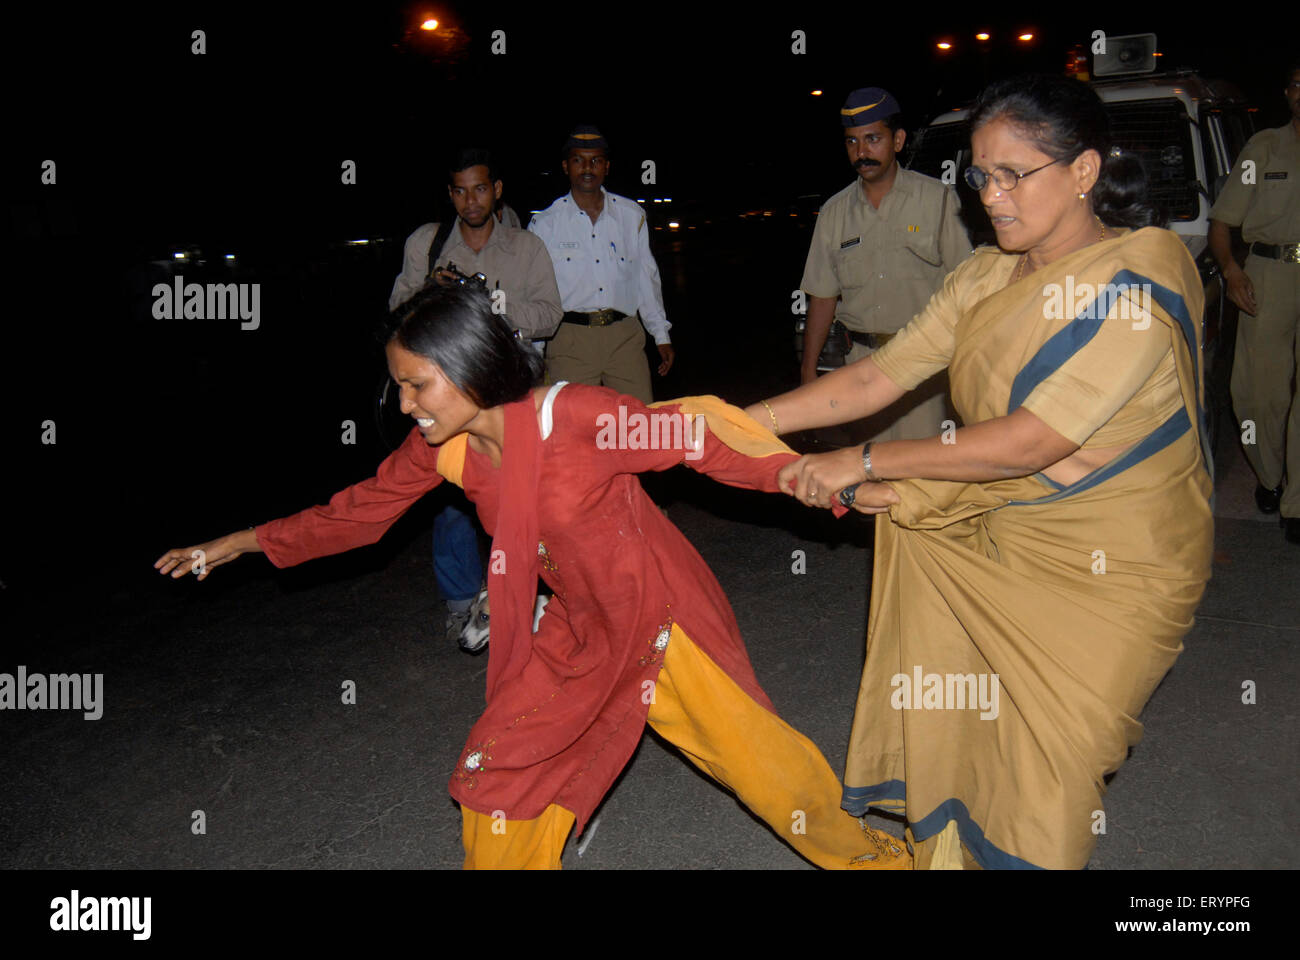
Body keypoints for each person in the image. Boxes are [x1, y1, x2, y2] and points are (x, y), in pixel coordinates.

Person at [154, 284, 906, 870]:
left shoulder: (576, 418)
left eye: (418, 385)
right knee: (500, 776)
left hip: (657, 620)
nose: (406, 405)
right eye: (401, 387)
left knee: (766, 774)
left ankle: (882, 860)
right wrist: (244, 542)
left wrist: (816, 479)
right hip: (577, 630)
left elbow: (698, 441)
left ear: (470, 369)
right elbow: (357, 513)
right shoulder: (448, 451)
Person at [745, 74, 1214, 869]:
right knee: (974, 744)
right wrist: (716, 425)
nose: (989, 198)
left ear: (1084, 172)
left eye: (1011, 175)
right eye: (979, 176)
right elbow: (874, 377)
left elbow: (1030, 441)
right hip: (1003, 540)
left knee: (1051, 778)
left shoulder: (1141, 278)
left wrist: (862, 460)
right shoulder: (988, 276)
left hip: (1120, 570)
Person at [389, 148, 563, 642]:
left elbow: (551, 313)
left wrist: (496, 311)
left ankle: (535, 596)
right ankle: (463, 602)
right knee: (452, 496)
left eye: (481, 188)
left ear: (497, 190)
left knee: (525, 497)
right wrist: (430, 290)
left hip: (512, 396)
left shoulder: (526, 247)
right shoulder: (427, 243)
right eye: (461, 190)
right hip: (449, 395)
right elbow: (396, 308)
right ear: (450, 194)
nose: (472, 200)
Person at [798, 87, 971, 443]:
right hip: (861, 366)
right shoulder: (834, 213)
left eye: (873, 139)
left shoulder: (938, 200)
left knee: (925, 475)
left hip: (926, 364)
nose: (862, 153)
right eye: (852, 142)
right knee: (869, 474)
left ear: (898, 140)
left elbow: (968, 288)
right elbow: (823, 297)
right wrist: (807, 371)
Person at [1208, 63, 1300, 542]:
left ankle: (1297, 500)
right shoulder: (1262, 148)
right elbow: (1222, 223)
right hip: (1269, 273)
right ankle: (1270, 474)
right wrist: (1231, 269)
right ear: (1287, 92)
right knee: (1256, 393)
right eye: (1299, 84)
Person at [528, 125, 674, 404]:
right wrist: (534, 352)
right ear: (565, 166)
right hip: (569, 340)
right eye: (578, 160)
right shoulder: (544, 224)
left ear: (607, 167)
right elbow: (537, 292)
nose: (587, 168)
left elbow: (646, 278)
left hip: (624, 339)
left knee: (636, 425)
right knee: (573, 431)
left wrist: (661, 335)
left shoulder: (632, 217)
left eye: (595, 161)